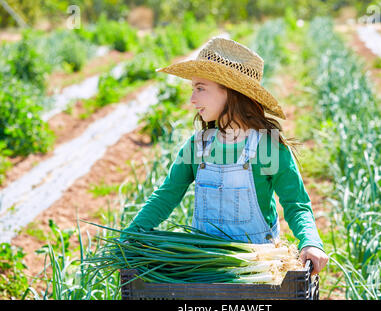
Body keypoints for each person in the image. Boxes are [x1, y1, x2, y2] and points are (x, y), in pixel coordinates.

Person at [120, 37, 328, 275]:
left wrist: (310, 241)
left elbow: (296, 204)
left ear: (230, 91)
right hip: (203, 267)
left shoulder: (269, 148)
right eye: (193, 89)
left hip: (257, 269)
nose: (192, 99)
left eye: (200, 88)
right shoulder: (197, 146)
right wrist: (131, 235)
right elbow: (166, 196)